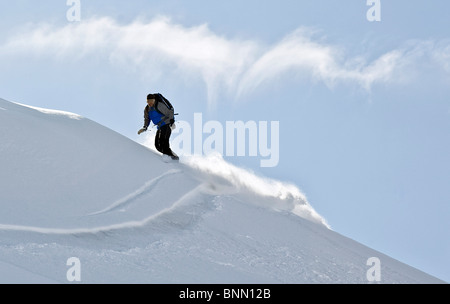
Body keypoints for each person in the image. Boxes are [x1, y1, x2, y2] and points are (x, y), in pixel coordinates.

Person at [138, 93, 179, 161]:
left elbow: (170, 111)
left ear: (154, 100)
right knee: (158, 145)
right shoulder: (147, 109)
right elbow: (147, 119)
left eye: (151, 101)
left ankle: (170, 158)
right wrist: (145, 127)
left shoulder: (159, 105)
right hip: (159, 126)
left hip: (166, 124)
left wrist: (172, 121)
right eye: (148, 102)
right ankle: (172, 155)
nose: (150, 103)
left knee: (163, 142)